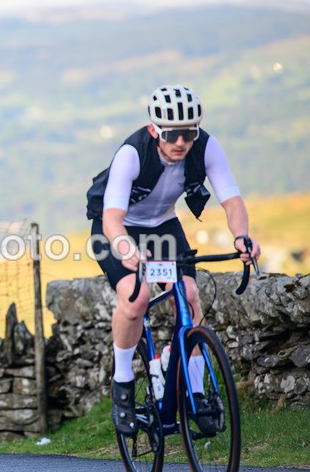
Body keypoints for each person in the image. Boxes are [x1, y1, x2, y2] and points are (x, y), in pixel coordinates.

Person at [85, 85, 261, 435]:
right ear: (155, 130)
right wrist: (125, 249)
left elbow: (232, 199)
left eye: (188, 133)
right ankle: (122, 382)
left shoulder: (206, 147)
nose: (181, 142)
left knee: (190, 296)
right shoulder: (132, 154)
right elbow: (111, 220)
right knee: (136, 299)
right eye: (171, 134)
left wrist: (241, 236)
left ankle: (194, 389)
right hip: (117, 229)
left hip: (164, 227)